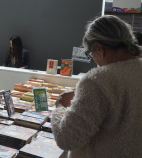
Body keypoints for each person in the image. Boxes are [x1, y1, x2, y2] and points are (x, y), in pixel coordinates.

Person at [51, 15, 142, 158]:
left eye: (90, 53)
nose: (95, 60)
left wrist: (60, 106)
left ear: (99, 49)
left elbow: (67, 139)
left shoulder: (98, 81)